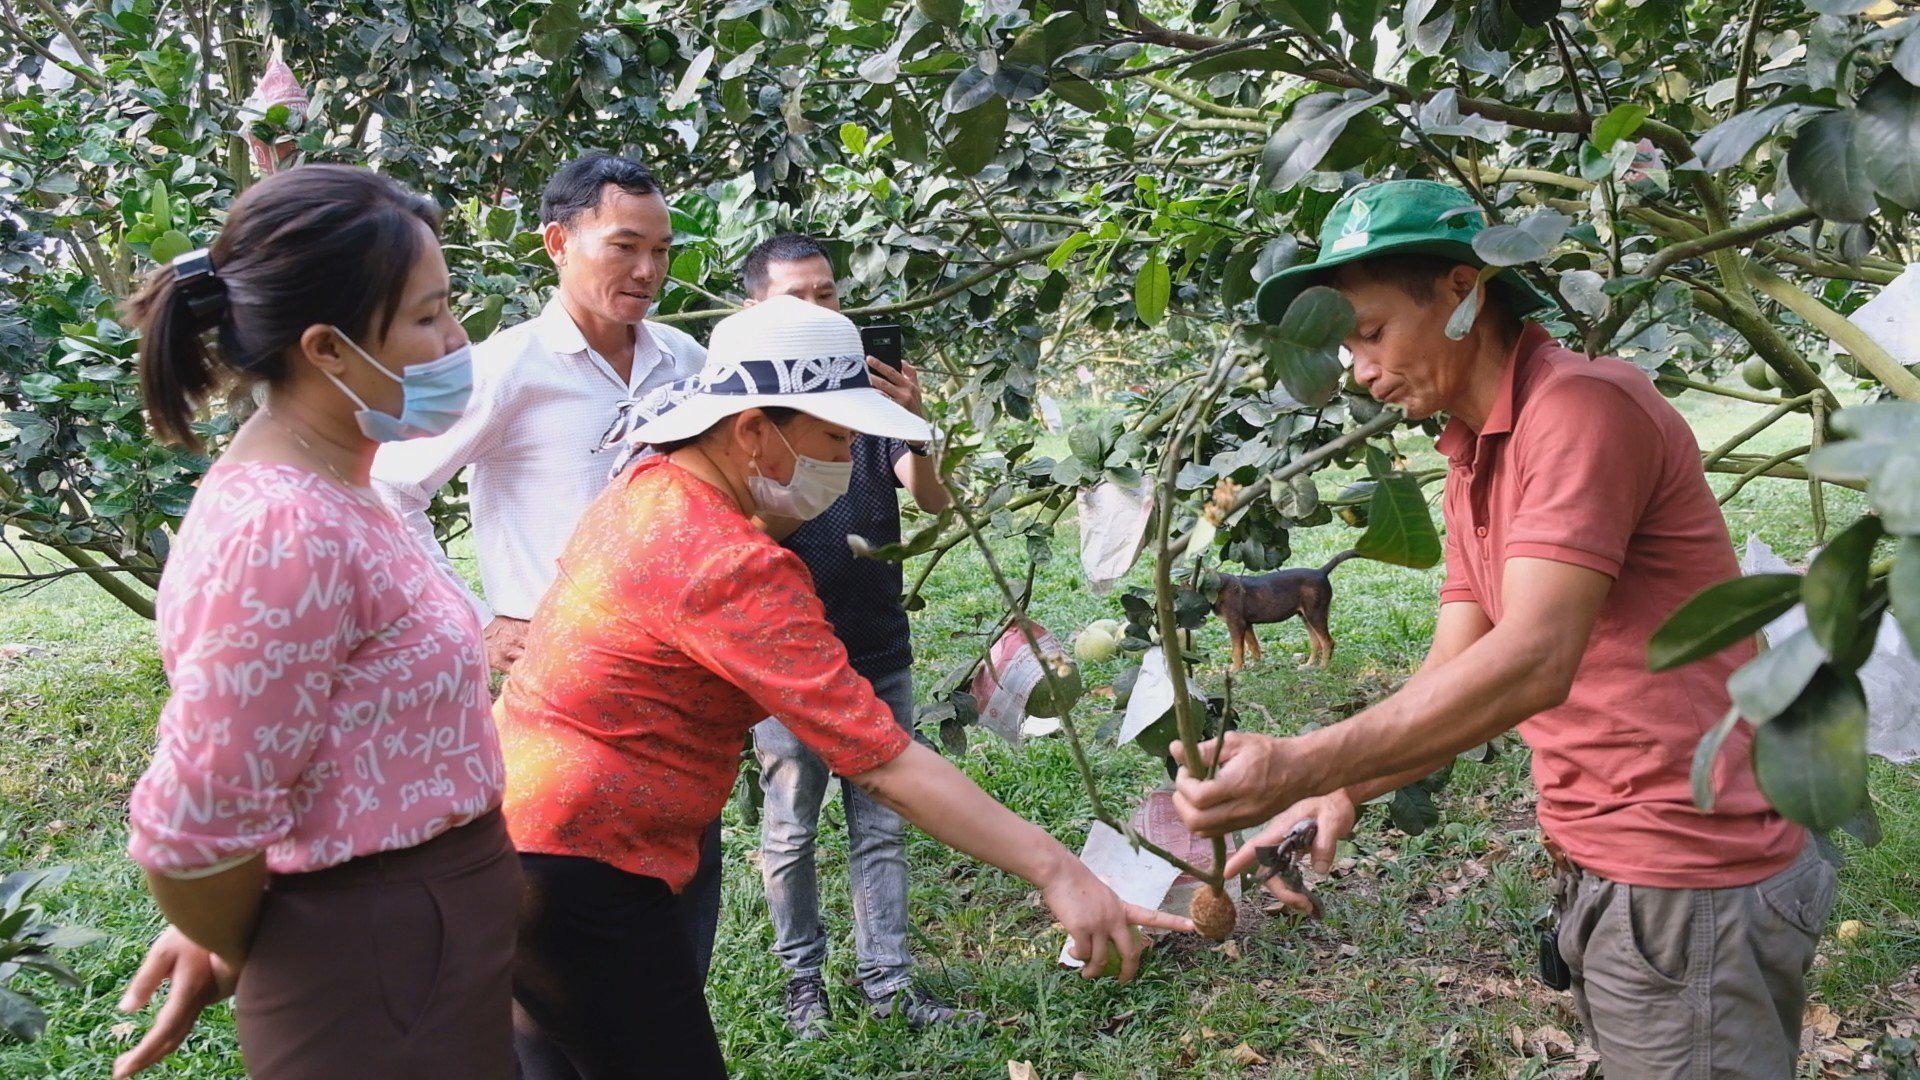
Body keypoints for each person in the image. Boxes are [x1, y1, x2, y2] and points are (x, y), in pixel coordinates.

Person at [1174, 179, 1831, 1080]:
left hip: (1688, 868)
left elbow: (1533, 661)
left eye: (1369, 333)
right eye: (1344, 348)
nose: (1359, 370)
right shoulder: (1472, 455)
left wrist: (1308, 759)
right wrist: (1341, 788)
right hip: (1615, 864)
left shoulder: (1582, 409)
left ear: (1461, 291)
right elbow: (1460, 664)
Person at [499, 295, 1191, 1078]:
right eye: (834, 436)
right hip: (583, 865)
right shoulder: (729, 564)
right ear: (753, 431)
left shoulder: (647, 486)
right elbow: (882, 761)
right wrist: (1061, 870)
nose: (847, 453)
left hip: (514, 840)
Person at [113, 164, 517, 1079]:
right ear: (329, 349)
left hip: (423, 943)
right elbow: (194, 831)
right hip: (373, 967)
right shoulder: (278, 529)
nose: (457, 340)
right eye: (428, 316)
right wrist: (242, 935)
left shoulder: (346, 485)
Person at [367, 153, 728, 977]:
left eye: (663, 251)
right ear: (558, 242)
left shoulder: (689, 364)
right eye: (625, 246)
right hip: (564, 700)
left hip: (679, 683)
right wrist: (478, 622)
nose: (647, 271)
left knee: (682, 898)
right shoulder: (502, 366)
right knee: (571, 926)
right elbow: (389, 489)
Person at [732, 233, 966, 1037]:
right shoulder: (749, 420)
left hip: (875, 644)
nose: (820, 311)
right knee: (791, 827)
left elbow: (932, 501)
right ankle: (804, 982)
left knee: (882, 822)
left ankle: (889, 981)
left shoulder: (868, 406)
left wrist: (918, 424)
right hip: (787, 660)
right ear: (755, 310)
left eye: (828, 295)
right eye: (798, 298)